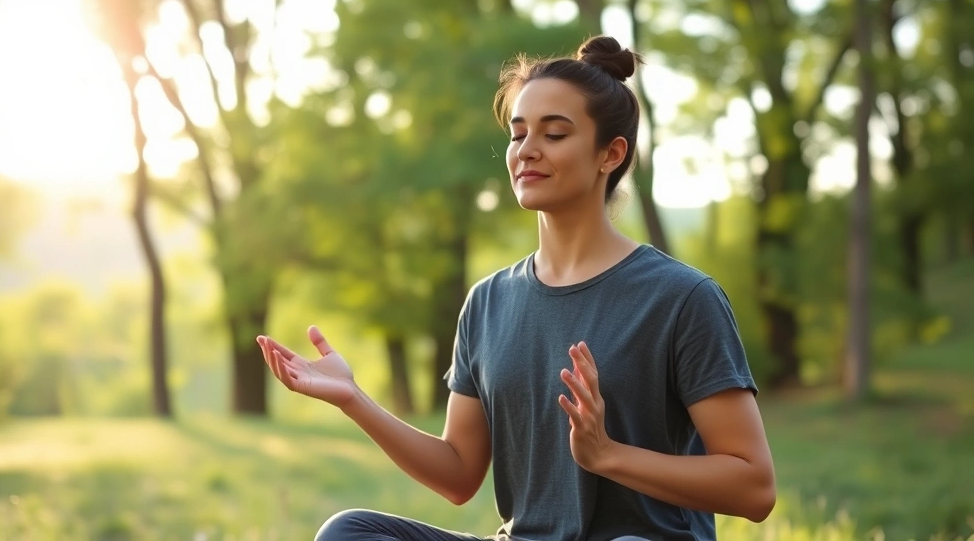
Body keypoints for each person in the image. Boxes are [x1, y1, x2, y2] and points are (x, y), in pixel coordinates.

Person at [257, 35, 776, 541]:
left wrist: (608, 454)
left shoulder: (681, 299)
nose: (526, 151)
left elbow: (754, 487)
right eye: (517, 133)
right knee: (350, 533)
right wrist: (353, 399)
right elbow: (460, 474)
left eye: (554, 134)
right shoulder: (488, 302)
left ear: (610, 154)